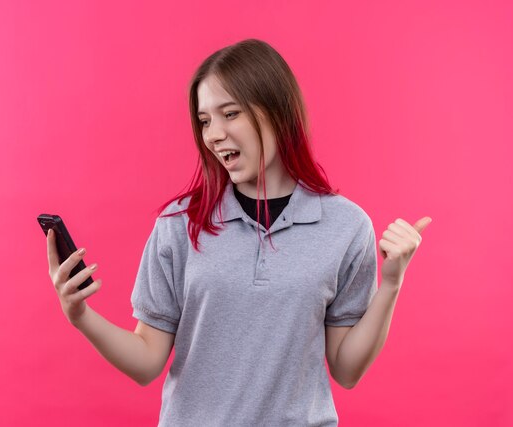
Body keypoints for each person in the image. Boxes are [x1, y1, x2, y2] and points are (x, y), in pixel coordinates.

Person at [46, 39, 431, 426]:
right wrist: (80, 316)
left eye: (229, 114)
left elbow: (346, 370)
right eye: (204, 120)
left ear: (277, 113)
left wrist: (391, 285)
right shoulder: (179, 224)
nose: (213, 134)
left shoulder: (345, 227)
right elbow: (147, 360)